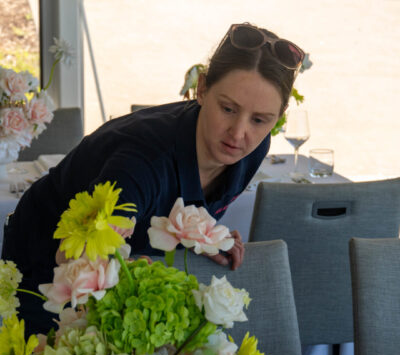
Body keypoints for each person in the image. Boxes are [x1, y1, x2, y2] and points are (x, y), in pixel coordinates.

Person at [2, 22, 304, 336]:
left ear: (279, 115)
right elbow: (82, 259)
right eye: (228, 109)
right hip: (45, 265)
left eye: (259, 119)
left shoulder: (254, 148)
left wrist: (201, 235)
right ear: (201, 88)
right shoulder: (140, 164)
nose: (239, 134)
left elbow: (181, 206)